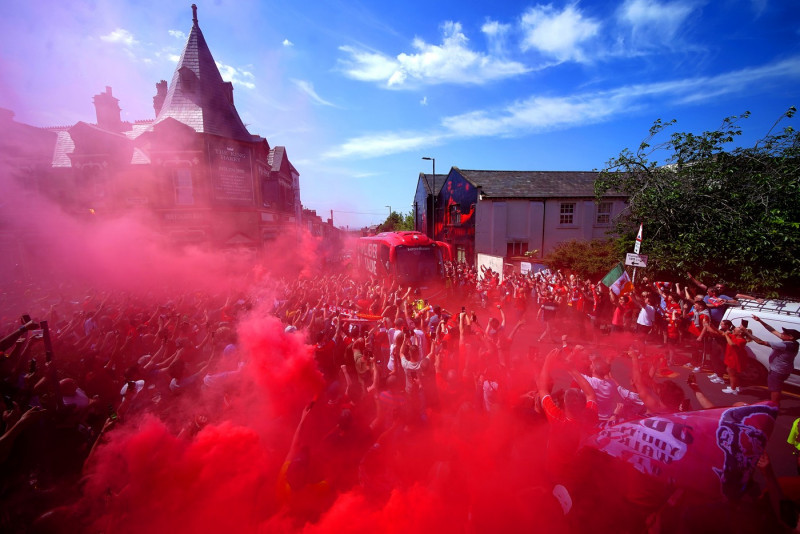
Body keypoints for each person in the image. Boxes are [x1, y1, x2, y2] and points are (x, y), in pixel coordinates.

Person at [744, 316, 800, 407]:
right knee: (776, 387)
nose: (781, 333)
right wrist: (760, 321)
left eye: (784, 333)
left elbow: (760, 342)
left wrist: (746, 332)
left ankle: (774, 406)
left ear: (790, 337)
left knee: (775, 389)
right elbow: (772, 330)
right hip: (784, 369)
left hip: (777, 371)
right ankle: (773, 402)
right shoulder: (794, 343)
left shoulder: (785, 345)